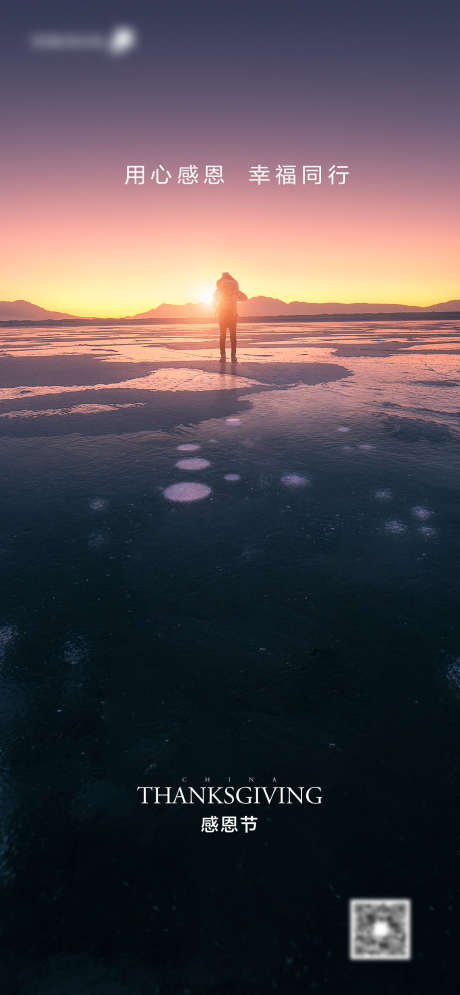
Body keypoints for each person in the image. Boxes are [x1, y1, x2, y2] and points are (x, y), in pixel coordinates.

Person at [213, 272, 247, 362]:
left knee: (222, 336)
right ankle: (233, 357)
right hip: (232, 315)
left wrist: (216, 309)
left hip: (222, 315)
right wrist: (236, 293)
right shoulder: (235, 289)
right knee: (233, 337)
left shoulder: (219, 289)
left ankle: (223, 356)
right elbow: (245, 298)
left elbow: (214, 300)